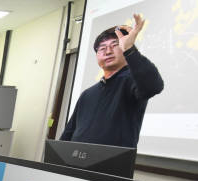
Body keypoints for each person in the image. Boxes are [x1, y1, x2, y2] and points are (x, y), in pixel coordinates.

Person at [60, 14, 163, 148]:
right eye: (102, 48)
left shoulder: (132, 81)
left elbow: (153, 86)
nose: (108, 51)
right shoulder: (87, 94)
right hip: (74, 161)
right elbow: (69, 131)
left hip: (111, 165)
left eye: (115, 45)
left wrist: (130, 49)